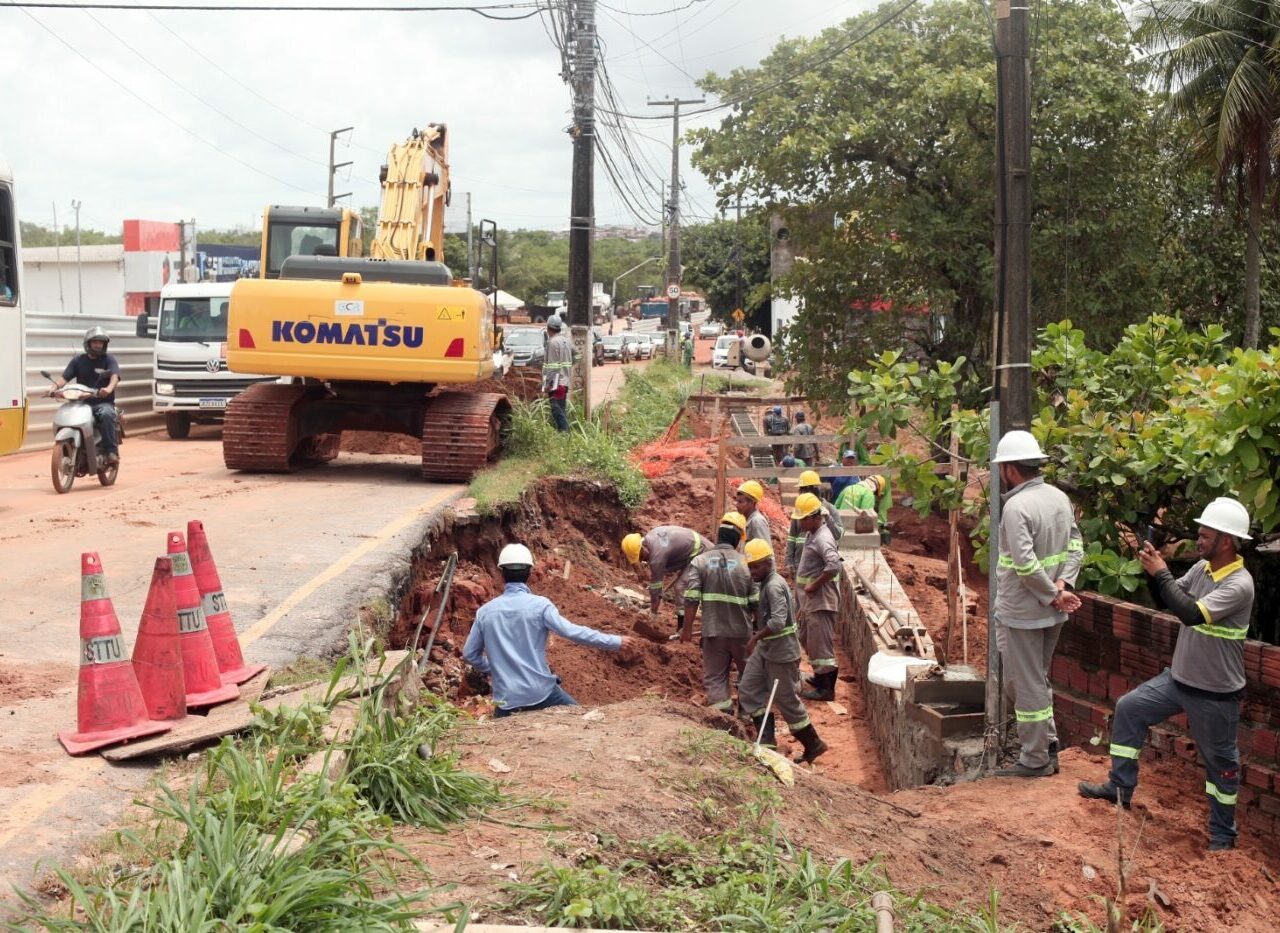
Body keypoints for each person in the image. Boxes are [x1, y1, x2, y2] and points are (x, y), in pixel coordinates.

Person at [1079, 497, 1254, 851]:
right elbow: (1171, 599)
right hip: (1179, 678)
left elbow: (1191, 613)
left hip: (1215, 693)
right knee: (1130, 708)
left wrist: (1162, 572)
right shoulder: (1203, 569)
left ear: (1227, 541)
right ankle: (1119, 788)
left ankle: (1223, 837)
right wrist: (1154, 571)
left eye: (1205, 535)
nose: (1199, 540)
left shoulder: (1239, 584)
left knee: (1221, 765)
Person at [988, 430, 1083, 778]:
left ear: (1011, 469)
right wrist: (1062, 585)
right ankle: (1049, 744)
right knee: (1033, 679)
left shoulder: (1016, 507)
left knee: (1023, 684)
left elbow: (1025, 564)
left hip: (1024, 612)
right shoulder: (1058, 498)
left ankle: (1035, 759)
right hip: (1051, 610)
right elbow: (1076, 547)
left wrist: (1054, 593)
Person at [464, 543, 635, 716]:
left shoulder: (485, 612)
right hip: (542, 694)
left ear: (501, 574)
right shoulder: (540, 606)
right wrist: (615, 641)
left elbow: (470, 654)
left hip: (507, 701)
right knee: (581, 719)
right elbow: (572, 632)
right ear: (529, 573)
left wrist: (495, 667)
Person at [740, 538, 829, 763]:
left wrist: (754, 638)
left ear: (769, 563)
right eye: (750, 567)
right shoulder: (766, 584)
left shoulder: (773, 586)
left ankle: (813, 744)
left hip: (781, 652)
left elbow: (778, 622)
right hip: (766, 649)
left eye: (757, 566)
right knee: (749, 687)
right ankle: (766, 740)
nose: (753, 572)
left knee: (786, 699)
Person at [683, 512, 754, 713]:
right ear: (738, 540)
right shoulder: (747, 563)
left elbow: (691, 598)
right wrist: (757, 633)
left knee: (715, 677)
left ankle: (723, 721)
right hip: (742, 633)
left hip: (713, 633)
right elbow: (756, 602)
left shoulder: (700, 562)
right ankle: (748, 717)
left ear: (718, 536)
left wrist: (687, 630)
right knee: (748, 674)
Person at [792, 493, 843, 701]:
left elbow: (834, 565)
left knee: (820, 644)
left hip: (821, 600)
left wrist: (813, 585)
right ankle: (819, 677)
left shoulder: (823, 537)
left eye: (803, 518)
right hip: (811, 600)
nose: (800, 522)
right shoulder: (813, 533)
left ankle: (826, 689)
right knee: (809, 639)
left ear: (815, 517)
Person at [48, 326, 121, 465]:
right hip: (81, 402)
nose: (98, 345)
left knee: (106, 414)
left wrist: (109, 388)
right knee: (64, 413)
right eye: (95, 342)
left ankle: (111, 451)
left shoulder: (109, 360)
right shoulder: (78, 361)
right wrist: (53, 388)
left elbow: (115, 376)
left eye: (101, 342)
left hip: (102, 402)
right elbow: (64, 378)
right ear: (88, 343)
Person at [622, 525, 708, 630]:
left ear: (643, 547)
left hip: (703, 553)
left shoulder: (657, 557)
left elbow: (656, 588)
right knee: (682, 582)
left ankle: (683, 628)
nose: (641, 560)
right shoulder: (651, 537)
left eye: (640, 556)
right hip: (693, 551)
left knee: (681, 586)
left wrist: (653, 613)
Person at [786, 470, 843, 572]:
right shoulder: (799, 509)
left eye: (803, 490)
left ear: (813, 490)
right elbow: (792, 536)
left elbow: (838, 534)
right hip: (800, 561)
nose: (800, 493)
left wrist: (828, 518)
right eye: (800, 490)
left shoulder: (829, 509)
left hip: (821, 565)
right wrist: (789, 561)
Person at [835, 475, 892, 543]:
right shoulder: (868, 494)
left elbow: (835, 507)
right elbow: (866, 518)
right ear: (876, 487)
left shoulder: (848, 488)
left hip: (839, 527)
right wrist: (883, 524)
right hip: (853, 531)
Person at [542, 315, 573, 432]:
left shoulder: (552, 342)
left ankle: (565, 434)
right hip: (564, 382)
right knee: (561, 409)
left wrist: (547, 385)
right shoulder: (566, 341)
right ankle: (564, 436)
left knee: (556, 410)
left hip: (556, 383)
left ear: (548, 328)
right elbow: (576, 356)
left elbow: (552, 366)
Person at [734, 480, 772, 547]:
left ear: (752, 503)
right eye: (736, 501)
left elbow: (766, 552)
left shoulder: (757, 522)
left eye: (740, 502)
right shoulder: (745, 520)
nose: (736, 505)